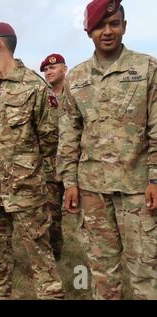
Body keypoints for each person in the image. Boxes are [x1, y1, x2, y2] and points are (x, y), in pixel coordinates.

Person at [58, 0, 157, 300]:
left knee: (145, 269)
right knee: (102, 272)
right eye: (100, 25)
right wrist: (69, 183)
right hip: (92, 190)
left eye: (114, 24)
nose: (108, 31)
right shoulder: (76, 77)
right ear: (89, 31)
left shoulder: (146, 68)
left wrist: (155, 179)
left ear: (125, 27)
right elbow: (69, 133)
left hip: (137, 189)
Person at [0, 23, 64, 300]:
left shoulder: (34, 86)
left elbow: (49, 139)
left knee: (41, 259)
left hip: (25, 191)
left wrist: (27, 171)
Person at [40, 53, 68, 261]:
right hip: (50, 167)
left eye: (53, 68)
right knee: (51, 213)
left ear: (64, 69)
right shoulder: (43, 96)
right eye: (46, 70)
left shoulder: (76, 93)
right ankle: (54, 255)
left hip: (77, 163)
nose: (49, 72)